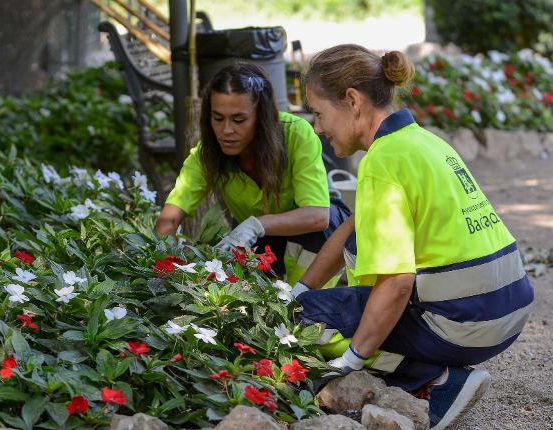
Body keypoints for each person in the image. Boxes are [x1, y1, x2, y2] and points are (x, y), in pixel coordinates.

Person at [291, 44, 533, 430]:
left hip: (465, 324)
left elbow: (398, 282)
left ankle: (436, 380)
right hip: (508, 311)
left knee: (307, 317)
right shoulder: (423, 141)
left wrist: (353, 359)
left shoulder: (381, 161)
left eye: (319, 113)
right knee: (333, 274)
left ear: (352, 101)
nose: (318, 128)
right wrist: (301, 286)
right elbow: (354, 226)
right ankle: (428, 366)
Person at [155, 63, 356, 285]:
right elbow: (169, 219)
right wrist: (164, 270)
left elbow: (318, 216)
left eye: (239, 120)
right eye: (218, 118)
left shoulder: (296, 133)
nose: (227, 130)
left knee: (300, 308)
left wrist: (256, 224)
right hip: (257, 240)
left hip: (317, 236)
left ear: (262, 117)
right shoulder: (208, 153)